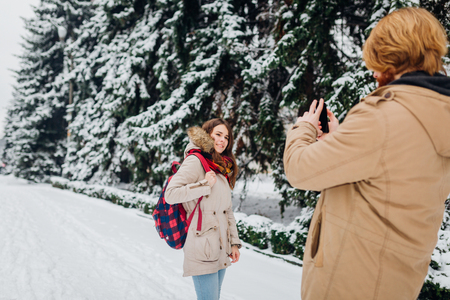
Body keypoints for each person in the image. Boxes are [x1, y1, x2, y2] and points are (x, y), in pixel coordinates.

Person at [283, 7, 450, 300]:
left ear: (392, 56)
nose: (374, 74)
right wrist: (340, 140)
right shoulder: (438, 114)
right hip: (395, 282)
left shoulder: (383, 117)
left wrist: (304, 128)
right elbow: (391, 176)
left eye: (378, 62)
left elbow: (299, 170)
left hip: (349, 282)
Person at [165, 118, 242, 300]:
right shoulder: (195, 161)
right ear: (207, 135)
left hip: (222, 246)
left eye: (227, 137)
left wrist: (234, 243)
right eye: (218, 135)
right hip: (202, 246)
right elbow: (171, 194)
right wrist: (204, 185)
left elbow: (227, 211)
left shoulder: (222, 167)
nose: (223, 140)